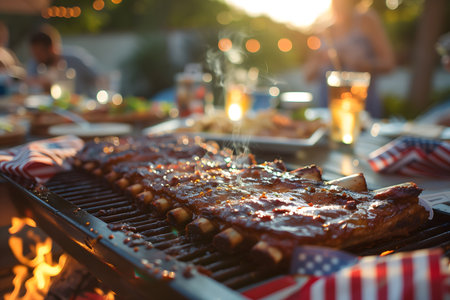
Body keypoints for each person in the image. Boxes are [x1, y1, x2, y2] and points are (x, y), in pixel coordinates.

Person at [304, 0, 395, 118]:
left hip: (361, 107)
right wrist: (320, 60)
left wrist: (362, 64)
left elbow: (389, 64)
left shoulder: (366, 21)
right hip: (328, 109)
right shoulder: (325, 30)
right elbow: (308, 75)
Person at [27, 24, 100, 97]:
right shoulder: (35, 63)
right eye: (34, 54)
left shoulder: (75, 59)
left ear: (51, 48)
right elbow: (28, 83)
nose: (37, 57)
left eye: (39, 53)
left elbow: (99, 77)